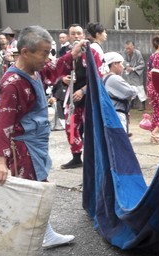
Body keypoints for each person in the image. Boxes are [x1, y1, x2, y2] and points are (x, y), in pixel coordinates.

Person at [0, 25, 76, 256]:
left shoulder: (36, 70)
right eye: (44, 53)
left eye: (50, 52)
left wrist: (75, 53)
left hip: (35, 144)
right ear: (25, 52)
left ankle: (46, 235)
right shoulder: (13, 82)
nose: (47, 58)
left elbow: (55, 67)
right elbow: (3, 122)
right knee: (27, 200)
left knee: (41, 189)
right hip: (21, 148)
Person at [56, 23, 102, 169]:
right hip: (71, 96)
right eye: (73, 33)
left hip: (88, 96)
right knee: (71, 127)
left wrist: (83, 90)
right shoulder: (67, 53)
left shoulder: (92, 52)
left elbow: (99, 76)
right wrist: (64, 79)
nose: (76, 36)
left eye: (79, 33)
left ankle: (93, 157)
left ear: (83, 35)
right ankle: (76, 157)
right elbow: (59, 71)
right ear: (69, 36)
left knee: (90, 127)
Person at [102, 51, 136, 133]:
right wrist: (135, 88)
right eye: (121, 64)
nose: (123, 67)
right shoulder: (114, 78)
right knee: (120, 141)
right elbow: (130, 92)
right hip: (117, 114)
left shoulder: (104, 77)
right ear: (115, 64)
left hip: (110, 113)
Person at [122, 41, 146, 110]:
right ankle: (130, 103)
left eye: (129, 48)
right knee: (128, 87)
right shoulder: (125, 52)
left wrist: (133, 68)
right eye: (126, 48)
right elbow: (123, 61)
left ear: (133, 47)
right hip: (128, 73)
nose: (127, 50)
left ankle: (142, 104)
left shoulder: (137, 53)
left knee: (139, 88)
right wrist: (127, 66)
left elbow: (142, 64)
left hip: (136, 73)